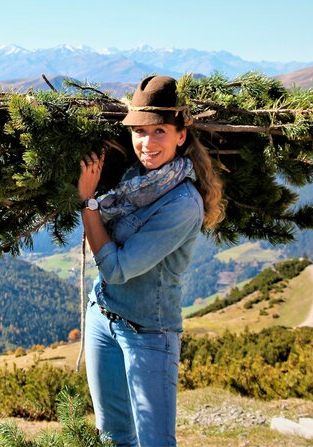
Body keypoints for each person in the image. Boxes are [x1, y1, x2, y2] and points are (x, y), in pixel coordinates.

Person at [78, 75, 225, 446]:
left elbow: (116, 269)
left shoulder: (182, 204)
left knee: (154, 442)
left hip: (148, 335)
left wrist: (88, 203)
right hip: (102, 318)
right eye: (139, 131)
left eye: (159, 131)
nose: (147, 142)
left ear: (181, 135)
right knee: (112, 437)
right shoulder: (133, 179)